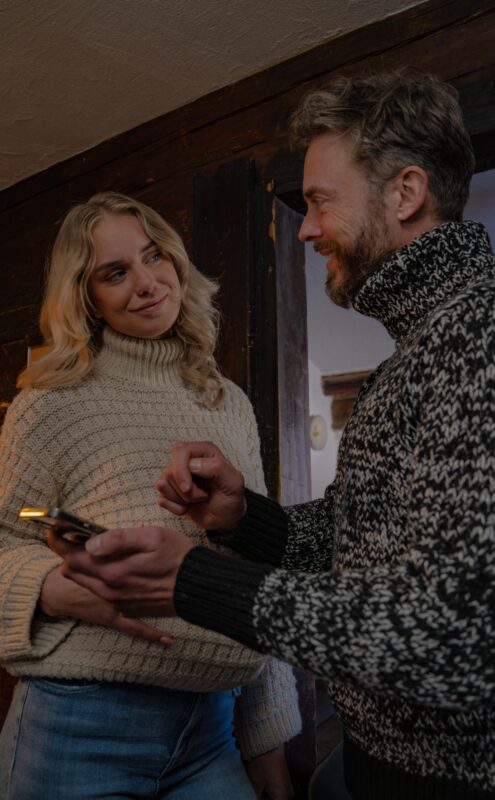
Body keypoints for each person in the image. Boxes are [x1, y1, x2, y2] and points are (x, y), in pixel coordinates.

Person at [54, 72, 495, 800]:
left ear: (406, 193)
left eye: (320, 200)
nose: (305, 228)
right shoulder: (415, 353)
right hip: (373, 758)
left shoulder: (474, 339)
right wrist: (243, 521)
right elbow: (360, 540)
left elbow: (456, 637)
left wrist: (193, 581)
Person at [0, 191, 301, 800]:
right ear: (86, 297)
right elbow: (11, 534)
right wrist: (52, 588)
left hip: (212, 731)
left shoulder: (229, 403)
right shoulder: (50, 403)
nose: (146, 283)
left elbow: (261, 570)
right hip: (82, 727)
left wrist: (265, 736)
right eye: (115, 273)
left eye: (153, 255)